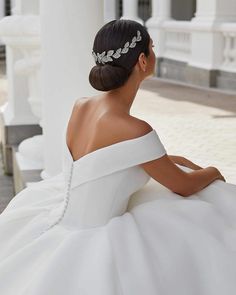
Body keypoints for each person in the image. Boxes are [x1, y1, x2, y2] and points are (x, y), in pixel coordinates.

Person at [0, 19, 236, 295]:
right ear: (143, 62)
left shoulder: (82, 106)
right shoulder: (135, 129)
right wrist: (213, 170)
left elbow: (105, 159)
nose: (155, 54)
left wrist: (173, 158)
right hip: (96, 233)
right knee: (210, 211)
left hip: (62, 213)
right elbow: (182, 187)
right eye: (152, 48)